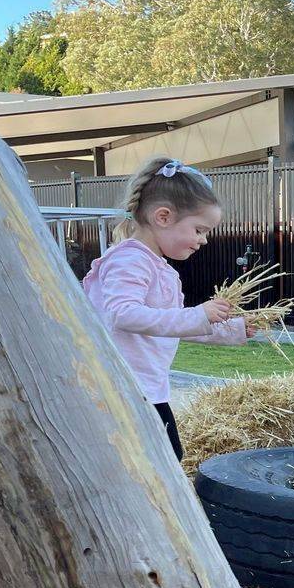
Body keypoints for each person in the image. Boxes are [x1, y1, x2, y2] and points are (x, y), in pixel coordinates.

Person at [81, 156, 248, 459]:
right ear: (163, 217)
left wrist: (234, 330)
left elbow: (175, 326)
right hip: (122, 388)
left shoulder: (160, 268)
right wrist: (198, 314)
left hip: (147, 388)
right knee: (160, 462)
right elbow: (121, 314)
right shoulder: (128, 260)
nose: (204, 240)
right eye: (199, 229)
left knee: (169, 459)